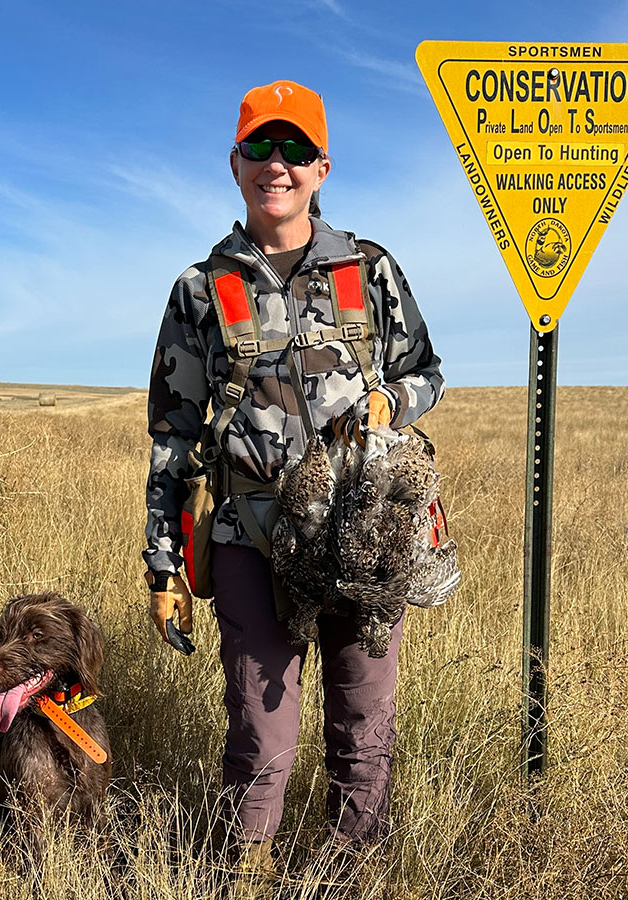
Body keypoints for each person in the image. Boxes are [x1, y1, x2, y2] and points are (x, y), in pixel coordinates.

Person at [144, 80, 444, 873]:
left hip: (363, 534)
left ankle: (354, 869)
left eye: (296, 150)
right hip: (251, 533)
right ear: (235, 162)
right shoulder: (201, 290)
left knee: (363, 713)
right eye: (261, 148)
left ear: (323, 167)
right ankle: (246, 868)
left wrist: (390, 397)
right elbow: (173, 438)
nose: (277, 165)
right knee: (259, 721)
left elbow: (428, 373)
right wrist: (163, 564)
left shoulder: (369, 269)